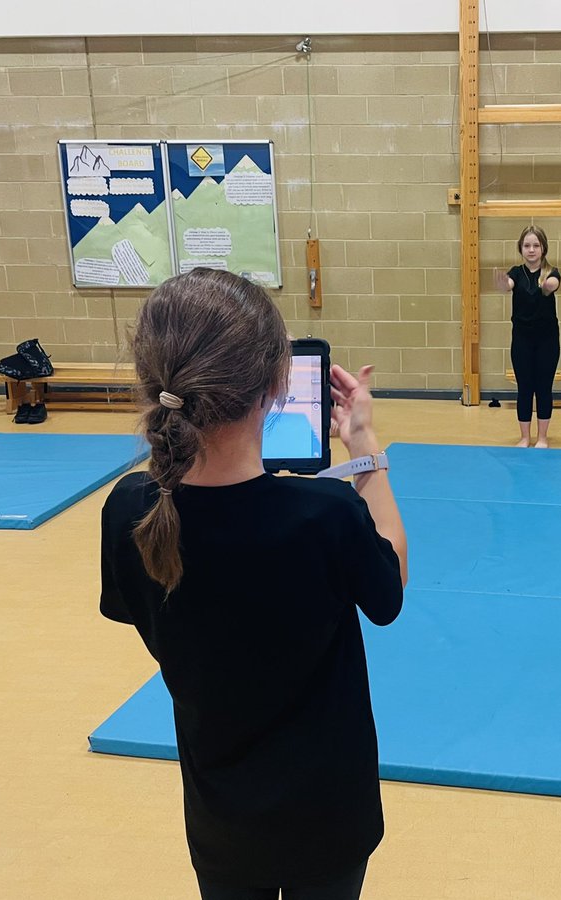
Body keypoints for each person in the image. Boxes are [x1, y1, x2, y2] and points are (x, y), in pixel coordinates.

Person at [99, 268, 407, 900]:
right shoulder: (324, 514)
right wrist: (365, 448)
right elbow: (389, 591)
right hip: (330, 812)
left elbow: (150, 619)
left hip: (220, 815)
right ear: (277, 386)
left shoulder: (130, 509)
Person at [493, 225, 561, 448]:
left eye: (536, 245)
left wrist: (549, 286)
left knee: (543, 388)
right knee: (524, 388)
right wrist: (503, 285)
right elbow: (509, 284)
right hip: (522, 340)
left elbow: (553, 284)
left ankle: (542, 437)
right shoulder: (516, 272)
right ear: (521, 248)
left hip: (547, 341)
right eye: (527, 245)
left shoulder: (550, 272)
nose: (531, 250)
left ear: (543, 248)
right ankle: (525, 437)